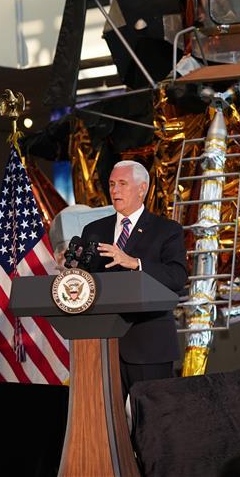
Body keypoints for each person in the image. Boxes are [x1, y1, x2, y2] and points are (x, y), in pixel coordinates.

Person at [80, 160, 187, 399]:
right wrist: (72, 273)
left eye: (122, 183)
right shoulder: (93, 230)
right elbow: (88, 281)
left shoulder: (167, 230)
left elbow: (177, 276)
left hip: (148, 347)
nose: (115, 190)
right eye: (111, 184)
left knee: (151, 424)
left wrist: (135, 263)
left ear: (142, 189)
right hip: (101, 348)